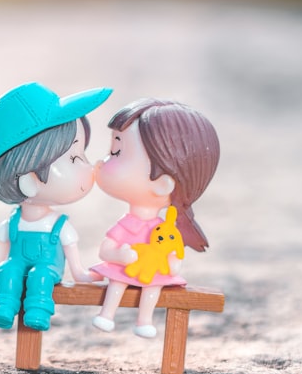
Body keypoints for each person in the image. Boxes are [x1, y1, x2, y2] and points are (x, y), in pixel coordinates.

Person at [0, 82, 112, 331]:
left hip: (48, 268)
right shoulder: (13, 223)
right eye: (75, 158)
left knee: (41, 277)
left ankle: (39, 311)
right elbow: (1, 253)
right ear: (30, 181)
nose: (90, 167)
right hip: (17, 262)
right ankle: (2, 307)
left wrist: (82, 276)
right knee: (7, 270)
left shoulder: (60, 225)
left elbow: (73, 260)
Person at [89, 98, 220, 338]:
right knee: (116, 283)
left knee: (154, 286)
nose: (102, 162)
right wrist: (119, 255)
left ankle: (145, 320)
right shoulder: (129, 223)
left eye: (117, 152)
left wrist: (172, 264)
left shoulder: (166, 228)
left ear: (162, 184)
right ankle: (107, 315)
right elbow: (105, 250)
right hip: (127, 268)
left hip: (152, 270)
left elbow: (174, 253)